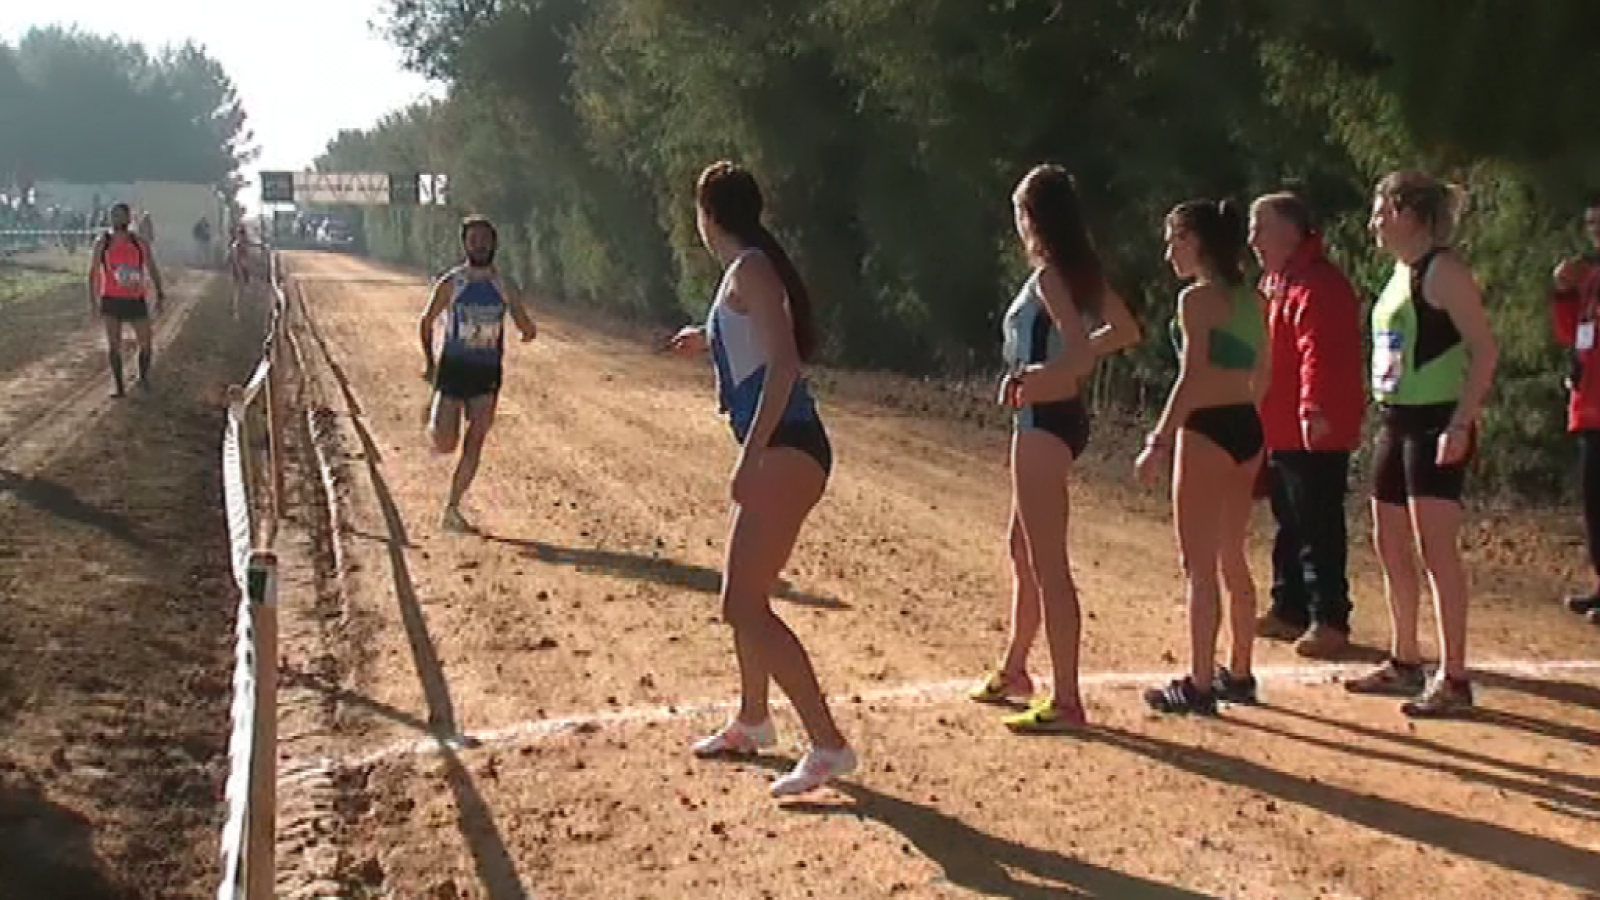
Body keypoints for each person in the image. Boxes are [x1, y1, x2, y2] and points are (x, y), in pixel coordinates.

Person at [667, 160, 855, 797]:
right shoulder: (743, 270)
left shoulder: (749, 266)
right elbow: (752, 342)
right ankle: (752, 718)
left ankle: (827, 744)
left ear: (707, 214)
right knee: (743, 596)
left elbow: (783, 365)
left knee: (741, 603)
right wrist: (707, 339)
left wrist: (750, 455)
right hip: (781, 444)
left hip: (786, 445)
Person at [968, 164, 1140, 731]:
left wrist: (1037, 376)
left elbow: (1082, 355)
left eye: (1020, 214)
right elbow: (1121, 331)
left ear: (1032, 219)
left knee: (1047, 564)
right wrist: (1057, 369)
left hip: (1044, 419)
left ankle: (1067, 698)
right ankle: (1017, 668)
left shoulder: (1049, 277)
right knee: (1024, 551)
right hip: (1051, 416)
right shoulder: (1074, 272)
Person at [1344, 172, 1497, 717]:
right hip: (1396, 419)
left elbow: (1484, 349)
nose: (1374, 222)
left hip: (1436, 421)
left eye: (1381, 211)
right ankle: (1404, 658)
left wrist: (1460, 423)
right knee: (1390, 543)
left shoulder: (1445, 271)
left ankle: (1454, 676)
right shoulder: (1399, 272)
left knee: (1437, 552)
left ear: (1409, 212)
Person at [1136, 199, 1269, 715]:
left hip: (1207, 432)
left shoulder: (1196, 301)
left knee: (1198, 565)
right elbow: (1265, 374)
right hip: (1246, 427)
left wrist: (1159, 438)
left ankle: (1197, 682)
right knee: (1233, 555)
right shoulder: (1254, 299)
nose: (1169, 251)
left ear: (1197, 241)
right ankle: (1238, 671)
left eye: (1175, 240)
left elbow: (1191, 378)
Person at [1249, 192, 1367, 657]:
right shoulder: (1278, 282)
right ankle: (1290, 605)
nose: (1252, 239)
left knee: (1317, 521)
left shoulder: (1319, 285)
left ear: (1290, 232)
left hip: (1312, 427)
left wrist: (1314, 408)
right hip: (1279, 424)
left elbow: (1323, 351)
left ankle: (1329, 616)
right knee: (1288, 519)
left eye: (1261, 228)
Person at [418, 215, 538, 532]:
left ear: (494, 244)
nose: (480, 244)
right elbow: (426, 321)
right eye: (474, 240)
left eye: (485, 239)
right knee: (446, 443)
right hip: (454, 370)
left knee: (475, 441)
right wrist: (429, 363)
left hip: (487, 373)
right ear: (465, 245)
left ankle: (452, 507)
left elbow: (523, 320)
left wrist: (527, 330)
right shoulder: (452, 283)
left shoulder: (503, 285)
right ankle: (434, 418)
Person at [1550, 195, 1600, 626]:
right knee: (1593, 502)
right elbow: (1572, 335)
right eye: (1590, 224)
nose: (1595, 231)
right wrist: (1564, 292)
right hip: (1589, 407)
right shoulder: (1591, 280)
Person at [87, 202, 165, 398]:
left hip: (135, 298)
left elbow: (152, 267)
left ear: (129, 219)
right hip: (111, 298)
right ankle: (119, 386)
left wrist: (159, 292)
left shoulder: (139, 243)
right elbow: (94, 272)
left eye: (121, 215)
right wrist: (93, 300)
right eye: (114, 215)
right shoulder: (102, 242)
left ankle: (143, 379)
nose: (117, 219)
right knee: (114, 345)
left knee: (146, 343)